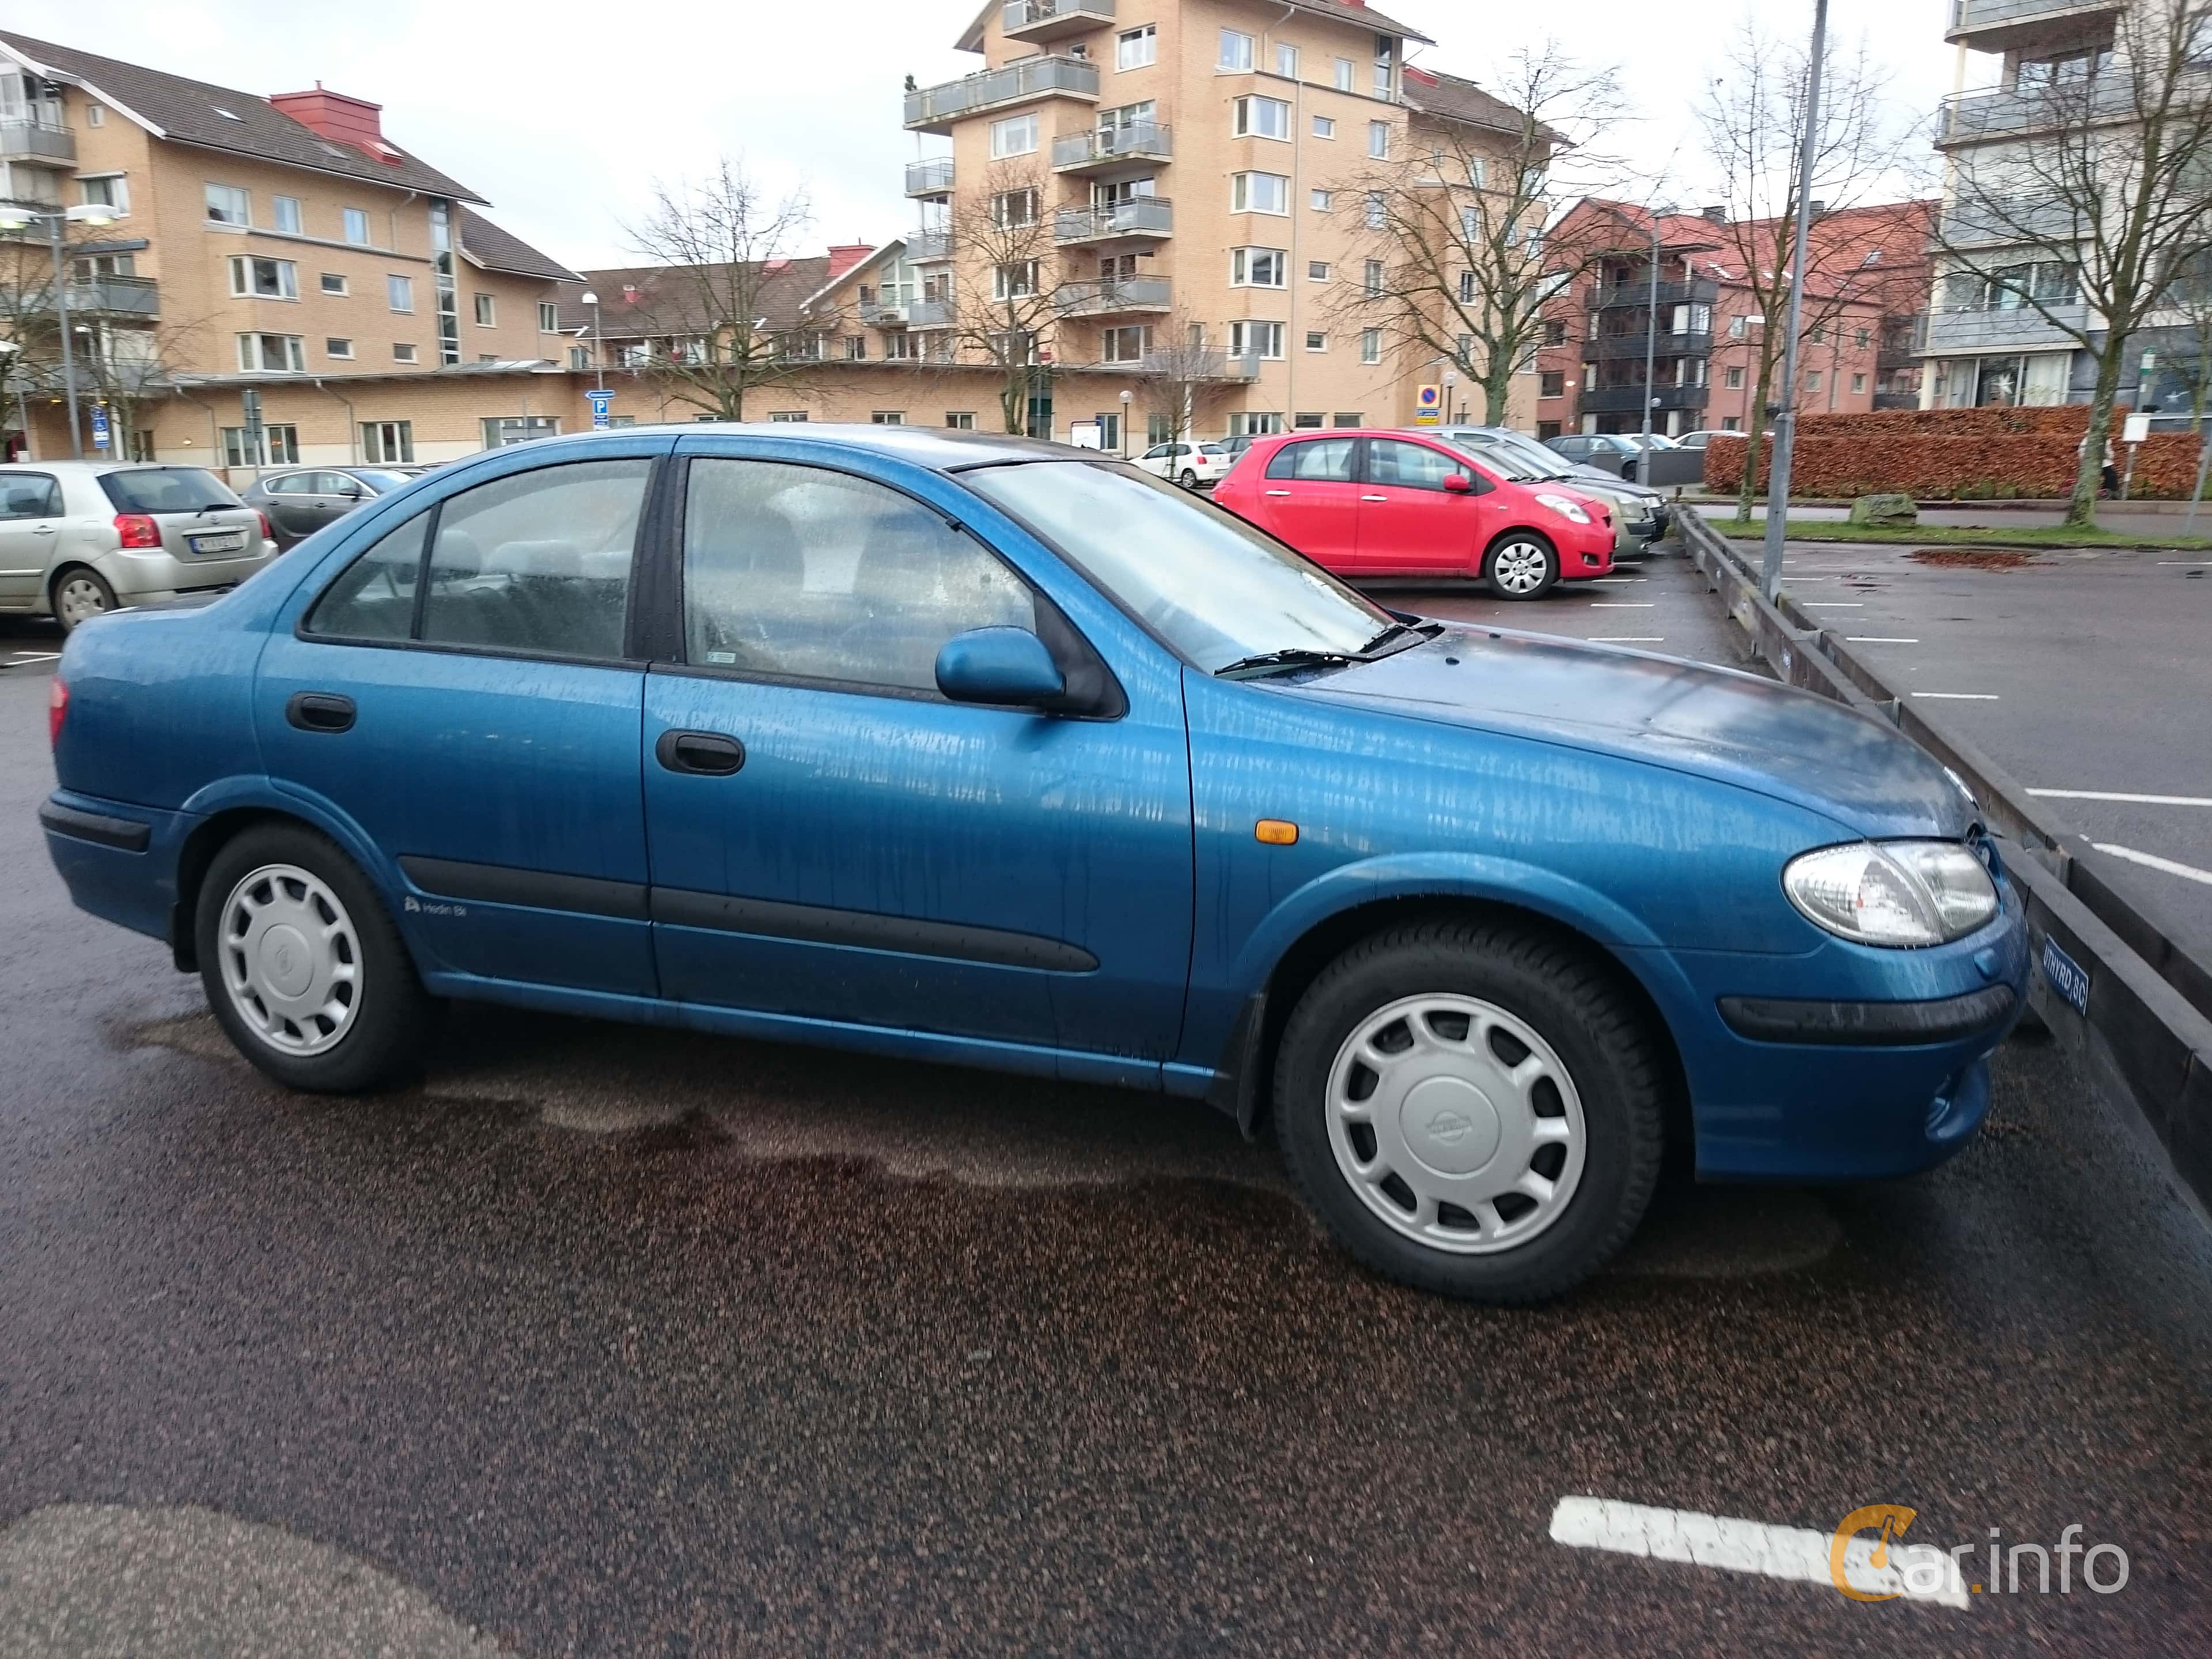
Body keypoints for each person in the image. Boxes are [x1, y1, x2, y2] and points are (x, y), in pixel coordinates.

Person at [2079, 429, 2119, 497]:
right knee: (2111, 475)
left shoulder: (2087, 441)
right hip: (2100, 463)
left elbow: (2082, 452)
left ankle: (2107, 490)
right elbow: (2108, 452)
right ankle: (2110, 490)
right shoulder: (2098, 441)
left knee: (2109, 475)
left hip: (2097, 462)